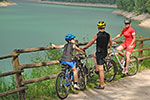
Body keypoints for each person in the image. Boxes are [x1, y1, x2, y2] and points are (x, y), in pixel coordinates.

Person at [81, 21, 112, 89]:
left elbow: (92, 42)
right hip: (104, 52)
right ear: (104, 27)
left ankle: (102, 85)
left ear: (98, 27)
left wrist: (85, 47)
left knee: (101, 70)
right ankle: (97, 69)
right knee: (93, 55)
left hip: (99, 53)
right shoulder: (108, 35)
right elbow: (111, 42)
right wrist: (108, 47)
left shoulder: (97, 35)